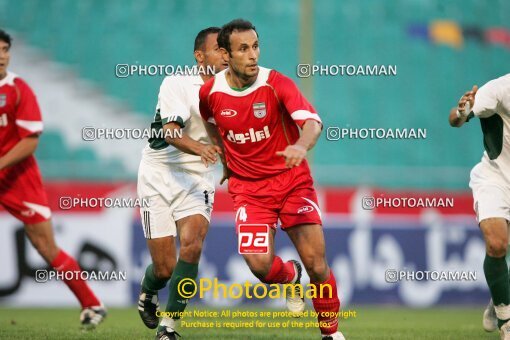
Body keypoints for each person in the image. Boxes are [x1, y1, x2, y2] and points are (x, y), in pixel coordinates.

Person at [199, 19, 345, 340]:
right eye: (243, 49)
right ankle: (291, 278)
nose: (253, 55)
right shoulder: (210, 93)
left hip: (292, 181)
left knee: (317, 264)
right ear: (225, 55)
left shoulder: (276, 83)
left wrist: (300, 145)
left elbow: (312, 123)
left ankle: (330, 334)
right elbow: (211, 124)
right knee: (260, 265)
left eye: (255, 46)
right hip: (249, 191)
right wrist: (225, 158)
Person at [0, 29, 106, 328]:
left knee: (45, 247)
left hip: (19, 180)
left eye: (5, 49)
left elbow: (30, 140)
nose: (2, 55)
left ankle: (92, 304)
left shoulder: (18, 88)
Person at [136, 27, 227, 340]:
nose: (226, 55)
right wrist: (202, 147)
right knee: (164, 269)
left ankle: (168, 327)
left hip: (196, 176)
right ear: (199, 56)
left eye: (228, 49)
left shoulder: (235, 88)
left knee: (193, 244)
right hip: (158, 174)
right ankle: (149, 290)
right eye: (219, 49)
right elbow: (170, 131)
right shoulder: (176, 83)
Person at [449, 74, 510, 340]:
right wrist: (463, 111)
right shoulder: (499, 89)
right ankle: (507, 321)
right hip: (494, 177)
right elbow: (456, 119)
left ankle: (498, 297)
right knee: (497, 243)